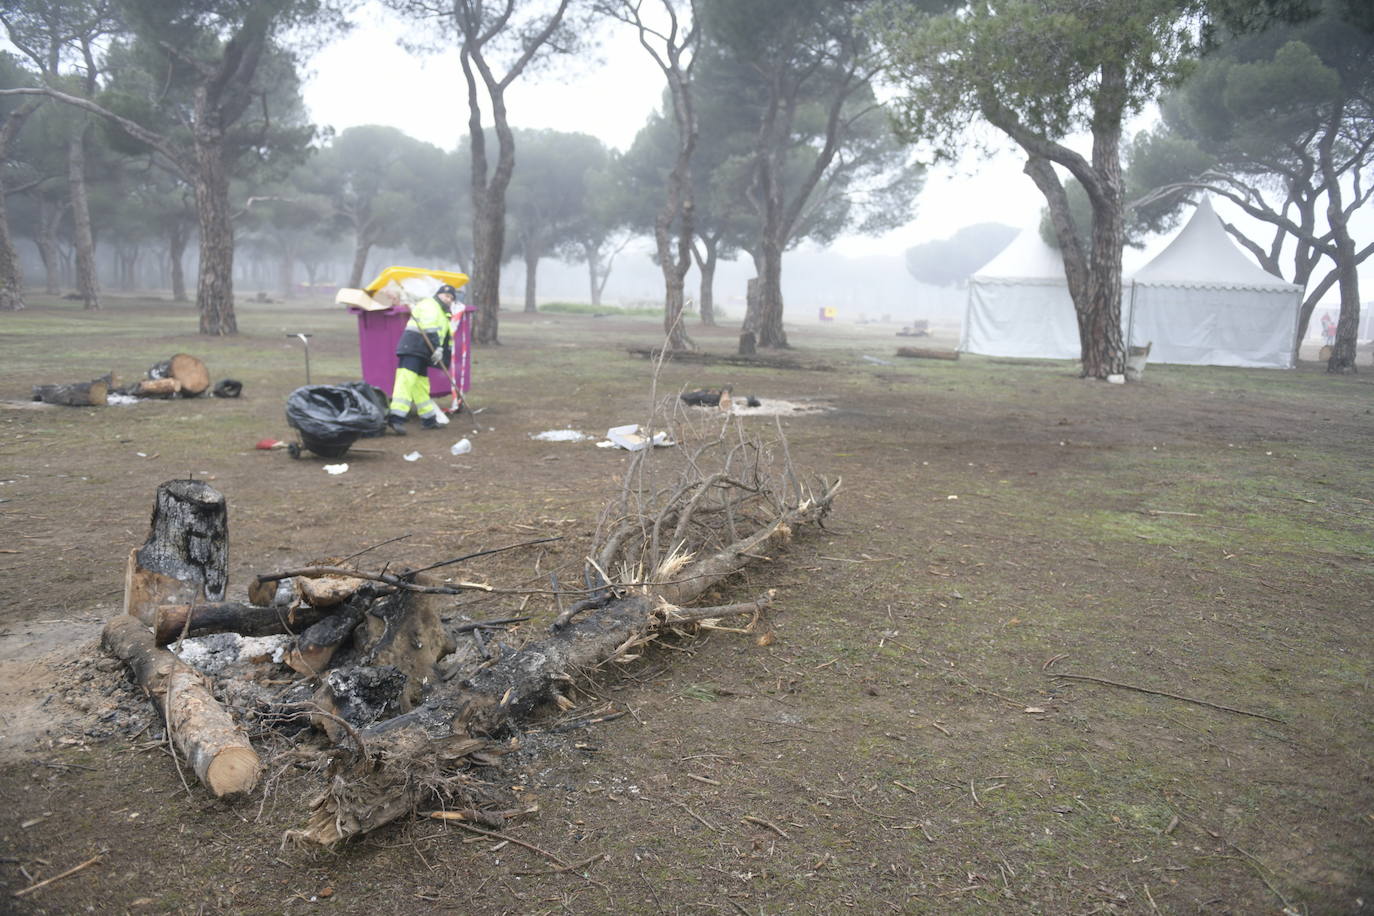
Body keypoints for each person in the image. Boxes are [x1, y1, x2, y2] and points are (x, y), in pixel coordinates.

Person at [386, 284, 457, 435]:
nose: (448, 299)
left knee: (421, 385)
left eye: (451, 297)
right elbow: (429, 327)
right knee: (406, 381)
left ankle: (428, 419)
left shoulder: (443, 313)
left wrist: (442, 353)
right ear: (438, 295)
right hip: (413, 347)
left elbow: (444, 337)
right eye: (446, 296)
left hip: (423, 351)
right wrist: (437, 347)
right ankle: (395, 418)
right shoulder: (431, 306)